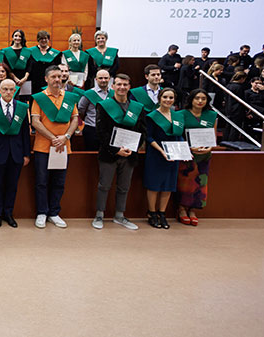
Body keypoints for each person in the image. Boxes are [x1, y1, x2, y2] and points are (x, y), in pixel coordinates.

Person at [91, 73, 145, 231]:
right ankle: (99, 215)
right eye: (119, 84)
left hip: (130, 154)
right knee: (104, 185)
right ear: (113, 86)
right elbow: (101, 132)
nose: (122, 87)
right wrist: (116, 150)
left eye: (125, 85)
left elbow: (143, 131)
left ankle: (120, 215)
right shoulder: (104, 105)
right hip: (109, 154)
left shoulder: (137, 107)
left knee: (124, 186)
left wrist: (131, 148)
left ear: (129, 87)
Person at [30, 65, 80, 229]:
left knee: (59, 181)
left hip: (63, 146)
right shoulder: (39, 98)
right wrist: (53, 138)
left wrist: (65, 137)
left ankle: (54, 213)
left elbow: (74, 119)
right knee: (42, 182)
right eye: (54, 77)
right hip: (43, 147)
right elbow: (35, 121)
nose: (57, 79)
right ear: (46, 79)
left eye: (59, 76)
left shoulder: (70, 98)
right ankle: (42, 213)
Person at [0, 79, 31, 228]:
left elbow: (25, 133)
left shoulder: (22, 108)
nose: (9, 92)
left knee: (12, 185)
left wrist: (26, 154)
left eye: (11, 89)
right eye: (5, 89)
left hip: (16, 153)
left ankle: (8, 213)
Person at [144, 88, 184, 229]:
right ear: (160, 98)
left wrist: (184, 151)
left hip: (173, 155)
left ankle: (162, 213)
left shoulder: (178, 116)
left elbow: (179, 135)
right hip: (156, 154)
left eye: (171, 97)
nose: (168, 100)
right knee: (154, 185)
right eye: (165, 97)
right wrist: (161, 151)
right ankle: (152, 213)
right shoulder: (152, 116)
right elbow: (148, 136)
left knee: (168, 186)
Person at [177, 89, 217, 226]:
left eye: (203, 99)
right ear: (191, 100)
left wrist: (211, 146)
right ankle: (182, 209)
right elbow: (177, 134)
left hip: (204, 156)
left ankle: (193, 210)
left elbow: (213, 134)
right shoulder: (181, 114)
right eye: (197, 98)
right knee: (185, 183)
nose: (200, 101)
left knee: (201, 183)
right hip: (186, 155)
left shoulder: (211, 115)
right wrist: (188, 147)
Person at [77, 69, 113, 151]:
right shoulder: (88, 94)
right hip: (92, 129)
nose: (103, 80)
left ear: (109, 79)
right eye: (100, 78)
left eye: (105, 78)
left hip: (109, 130)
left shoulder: (114, 94)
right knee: (91, 156)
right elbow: (81, 110)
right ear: (96, 79)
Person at [26, 30, 62, 95]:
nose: (43, 40)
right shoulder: (31, 51)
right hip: (34, 82)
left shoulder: (55, 54)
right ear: (38, 40)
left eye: (45, 38)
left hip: (49, 81)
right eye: (41, 39)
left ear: (48, 40)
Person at [1, 29, 30, 97]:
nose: (18, 38)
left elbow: (29, 66)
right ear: (12, 37)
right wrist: (15, 78)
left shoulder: (27, 51)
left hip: (25, 80)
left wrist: (25, 78)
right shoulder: (6, 51)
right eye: (16, 36)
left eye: (20, 36)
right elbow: (6, 66)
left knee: (24, 100)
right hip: (11, 79)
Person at [223, 71, 248, 141]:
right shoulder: (239, 87)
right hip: (237, 109)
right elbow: (242, 100)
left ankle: (225, 140)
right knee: (235, 127)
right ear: (242, 78)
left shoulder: (228, 85)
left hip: (228, 108)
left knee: (228, 126)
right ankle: (232, 141)